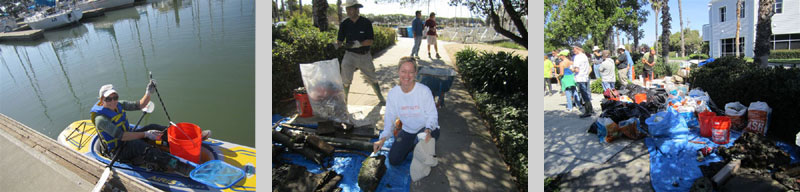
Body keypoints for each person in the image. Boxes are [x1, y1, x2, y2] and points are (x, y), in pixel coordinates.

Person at [90, 83, 209, 176]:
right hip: (117, 150)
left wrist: (148, 92)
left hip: (127, 138)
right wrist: (146, 134)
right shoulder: (100, 119)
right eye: (108, 99)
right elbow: (122, 136)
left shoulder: (118, 105)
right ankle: (181, 168)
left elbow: (140, 105)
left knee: (153, 126)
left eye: (114, 97)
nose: (113, 101)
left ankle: (189, 139)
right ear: (101, 100)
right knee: (140, 145)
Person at [373, 56, 440, 166]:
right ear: (398, 72)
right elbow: (389, 119)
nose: (407, 76)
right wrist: (382, 140)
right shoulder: (393, 94)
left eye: (411, 72)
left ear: (415, 73)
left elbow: (432, 115)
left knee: (422, 156)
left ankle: (424, 146)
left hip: (427, 129)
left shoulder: (424, 91)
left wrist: (428, 130)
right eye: (403, 71)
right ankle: (413, 145)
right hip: (408, 130)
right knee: (394, 160)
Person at [334, 0, 385, 104]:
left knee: (372, 78)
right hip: (349, 55)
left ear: (357, 9)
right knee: (345, 79)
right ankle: (345, 101)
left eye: (350, 8)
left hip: (364, 55)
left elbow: (370, 41)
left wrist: (359, 44)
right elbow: (340, 40)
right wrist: (337, 44)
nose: (348, 11)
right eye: (346, 9)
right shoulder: (344, 24)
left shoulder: (366, 23)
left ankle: (380, 98)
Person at [572, 46, 594, 118]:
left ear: (577, 48)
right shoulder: (584, 56)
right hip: (585, 77)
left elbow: (577, 70)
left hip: (580, 78)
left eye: (574, 49)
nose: (573, 50)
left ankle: (588, 111)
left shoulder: (577, 57)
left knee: (584, 95)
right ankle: (591, 109)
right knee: (587, 94)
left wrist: (572, 69)